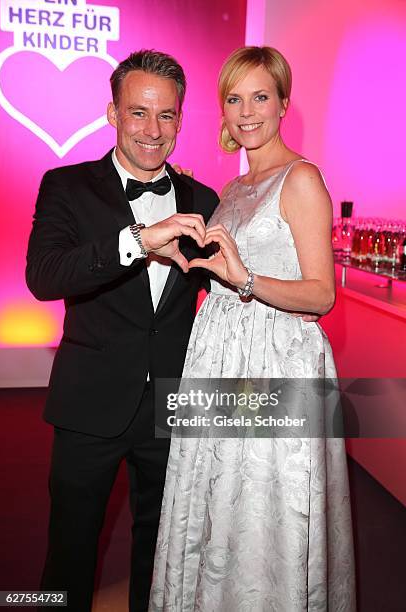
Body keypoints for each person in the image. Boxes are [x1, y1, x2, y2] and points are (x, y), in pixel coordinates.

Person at [149, 46, 356, 611]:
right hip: (222, 354)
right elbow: (224, 271)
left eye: (260, 97)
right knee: (223, 503)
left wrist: (244, 280)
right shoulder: (234, 188)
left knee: (267, 508)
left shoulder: (301, 178)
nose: (246, 112)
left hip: (275, 361)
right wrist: (184, 261)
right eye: (234, 99)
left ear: (283, 103)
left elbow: (320, 295)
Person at [26, 50, 219, 612]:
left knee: (161, 552)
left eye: (167, 116)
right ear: (111, 113)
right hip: (90, 403)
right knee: (69, 551)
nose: (153, 131)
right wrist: (137, 240)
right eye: (138, 113)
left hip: (172, 405)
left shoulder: (204, 201)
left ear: (181, 119)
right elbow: (44, 277)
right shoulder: (65, 186)